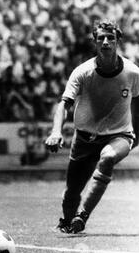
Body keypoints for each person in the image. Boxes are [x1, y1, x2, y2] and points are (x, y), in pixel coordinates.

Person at [45, 21, 139, 234]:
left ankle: (82, 216)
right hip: (85, 138)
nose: (106, 42)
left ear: (118, 41)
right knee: (71, 193)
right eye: (101, 38)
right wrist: (56, 131)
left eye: (110, 38)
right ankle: (68, 220)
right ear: (95, 42)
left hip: (119, 135)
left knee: (107, 158)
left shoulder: (133, 73)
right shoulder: (82, 72)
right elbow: (64, 104)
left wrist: (136, 136)